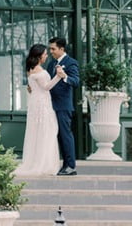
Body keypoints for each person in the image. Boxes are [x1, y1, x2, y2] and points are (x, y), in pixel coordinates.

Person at [17, 43, 63, 176]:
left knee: (38, 133)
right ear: (39, 56)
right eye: (44, 54)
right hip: (42, 104)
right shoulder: (39, 70)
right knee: (47, 132)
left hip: (35, 102)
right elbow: (47, 87)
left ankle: (37, 161)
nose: (46, 56)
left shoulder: (30, 69)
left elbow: (31, 87)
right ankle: (44, 164)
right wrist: (58, 76)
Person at [47, 36, 80, 176]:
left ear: (62, 49)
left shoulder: (71, 62)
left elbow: (76, 81)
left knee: (65, 135)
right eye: (50, 49)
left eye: (53, 49)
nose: (51, 51)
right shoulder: (50, 64)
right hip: (50, 105)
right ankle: (63, 165)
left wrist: (64, 76)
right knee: (57, 136)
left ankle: (70, 166)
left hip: (63, 105)